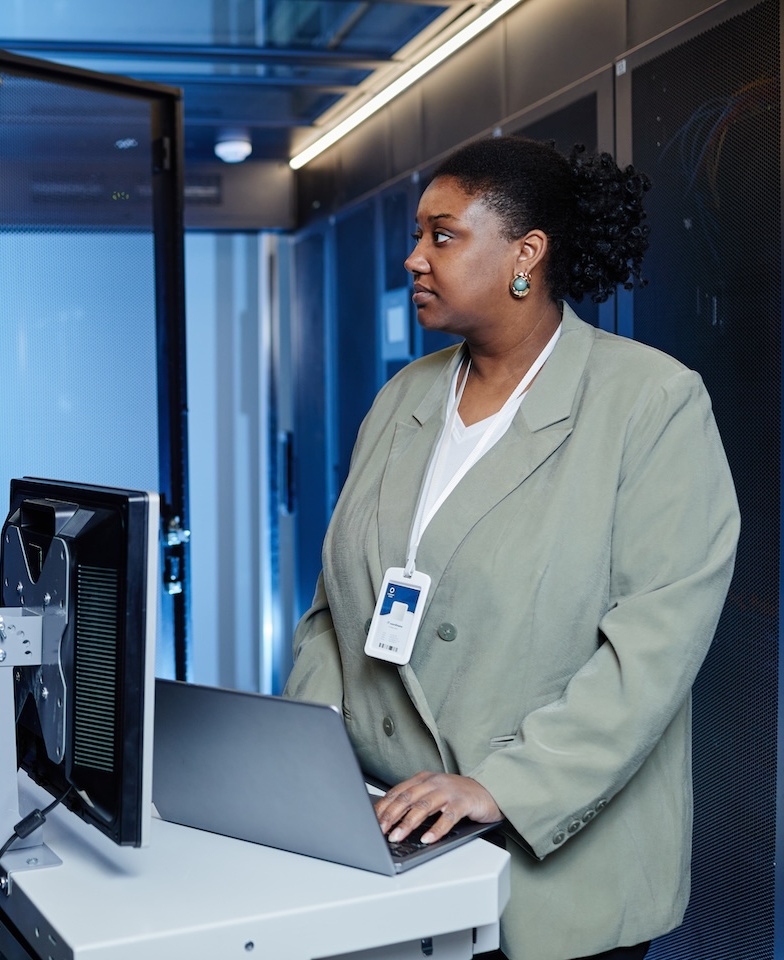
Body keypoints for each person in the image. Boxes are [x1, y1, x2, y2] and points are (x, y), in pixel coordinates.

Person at [283, 135, 739, 960]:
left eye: (442, 235)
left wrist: (501, 787)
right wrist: (311, 765)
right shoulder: (401, 398)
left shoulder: (651, 403)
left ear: (526, 253)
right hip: (385, 842)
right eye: (418, 235)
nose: (415, 258)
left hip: (546, 868)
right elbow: (331, 613)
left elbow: (656, 648)